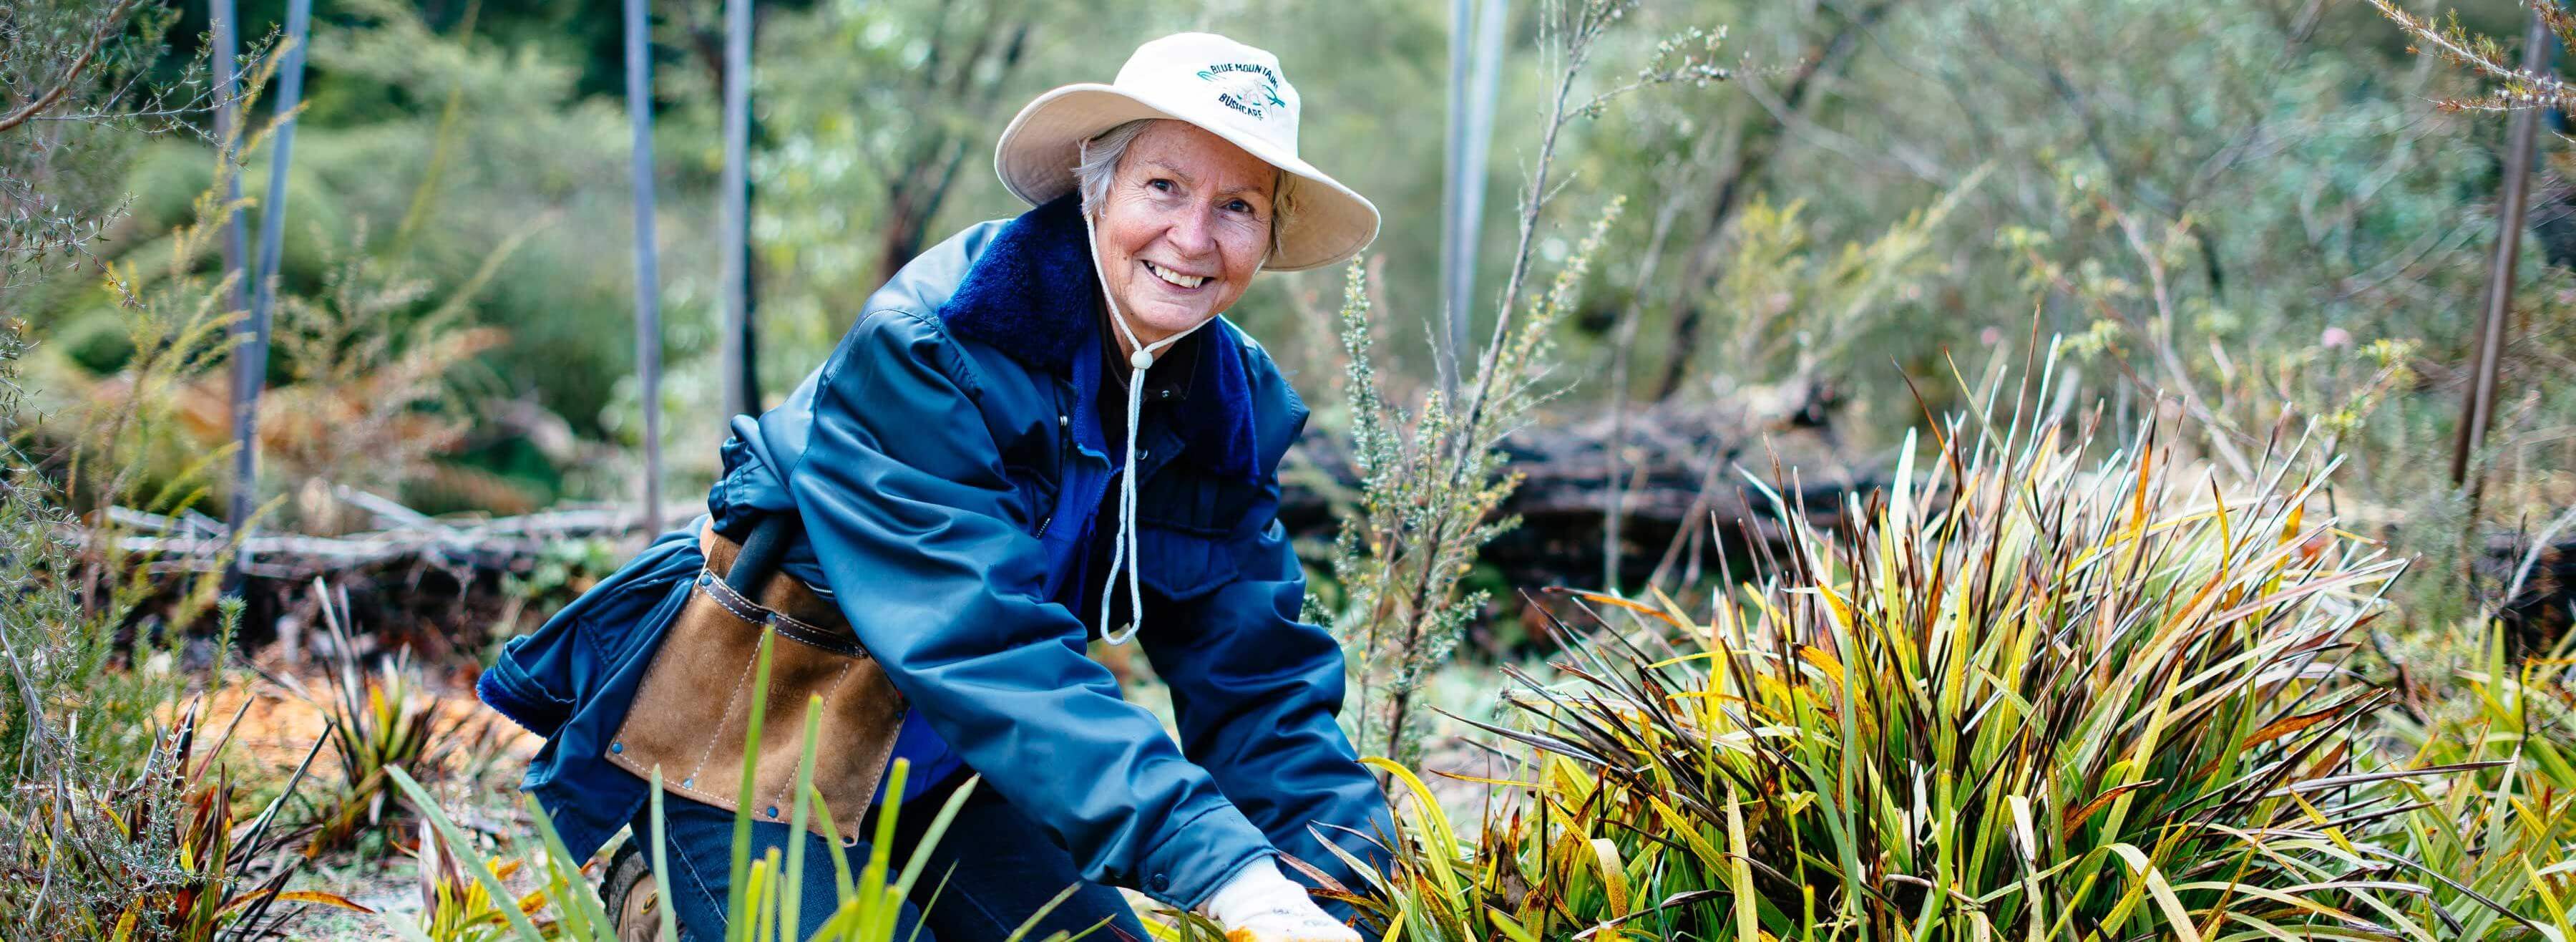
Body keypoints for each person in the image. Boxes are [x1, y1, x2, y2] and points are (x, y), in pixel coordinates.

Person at [477, 31, 1394, 942]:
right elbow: (981, 643)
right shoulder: (936, 346)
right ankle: (662, 889)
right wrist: (1222, 867)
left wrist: (1348, 884)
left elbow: (1256, 673)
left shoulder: (1219, 403)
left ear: (1267, 237)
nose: (1193, 238)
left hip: (954, 772)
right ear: (1099, 189)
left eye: (1236, 205)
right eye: (1164, 186)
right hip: (760, 750)